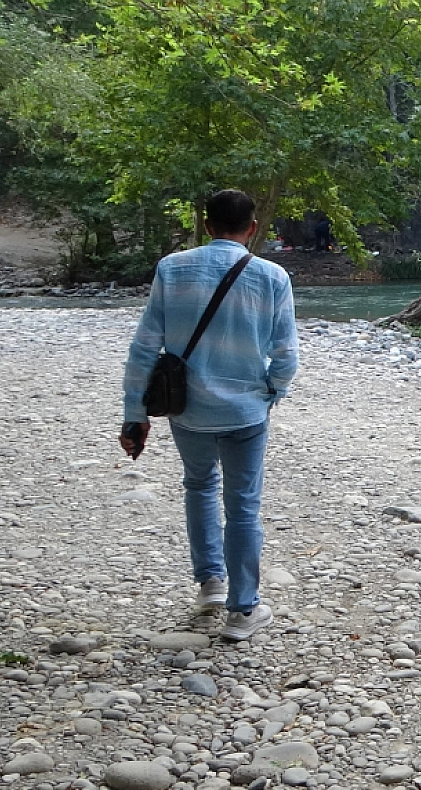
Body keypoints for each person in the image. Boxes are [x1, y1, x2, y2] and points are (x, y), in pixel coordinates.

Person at [120, 189, 299, 642]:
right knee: (243, 505)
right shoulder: (272, 275)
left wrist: (134, 412)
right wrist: (270, 392)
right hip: (245, 413)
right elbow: (286, 354)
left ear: (205, 224)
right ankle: (243, 612)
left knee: (199, 486)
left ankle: (211, 585)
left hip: (188, 411)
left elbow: (145, 347)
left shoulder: (171, 268)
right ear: (253, 228)